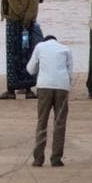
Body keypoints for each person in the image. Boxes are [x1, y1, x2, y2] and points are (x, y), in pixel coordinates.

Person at [0, 0, 40, 101]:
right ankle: (28, 88)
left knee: (12, 54)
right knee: (27, 52)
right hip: (28, 21)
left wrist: (19, 13)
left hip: (13, 18)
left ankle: (11, 90)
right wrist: (28, 17)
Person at [27, 34, 72, 167]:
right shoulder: (66, 49)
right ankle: (56, 158)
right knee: (60, 123)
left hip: (44, 86)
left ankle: (38, 158)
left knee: (42, 121)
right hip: (62, 86)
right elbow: (70, 73)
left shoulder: (40, 47)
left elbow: (30, 69)